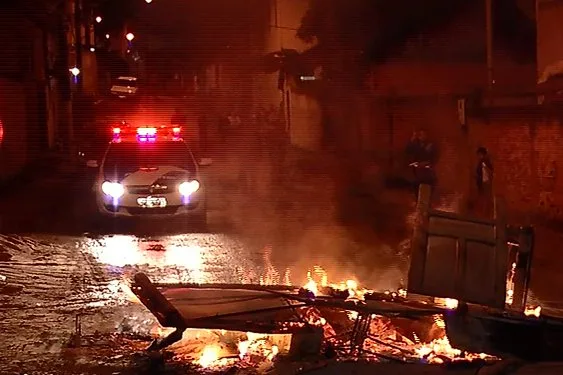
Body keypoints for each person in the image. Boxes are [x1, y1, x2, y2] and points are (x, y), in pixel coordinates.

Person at [475, 146, 494, 216]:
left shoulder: (484, 161)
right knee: (483, 198)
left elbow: (489, 170)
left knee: (485, 199)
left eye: (479, 154)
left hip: (485, 182)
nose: (478, 156)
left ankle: (485, 214)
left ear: (482, 154)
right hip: (482, 182)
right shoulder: (482, 162)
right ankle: (483, 213)